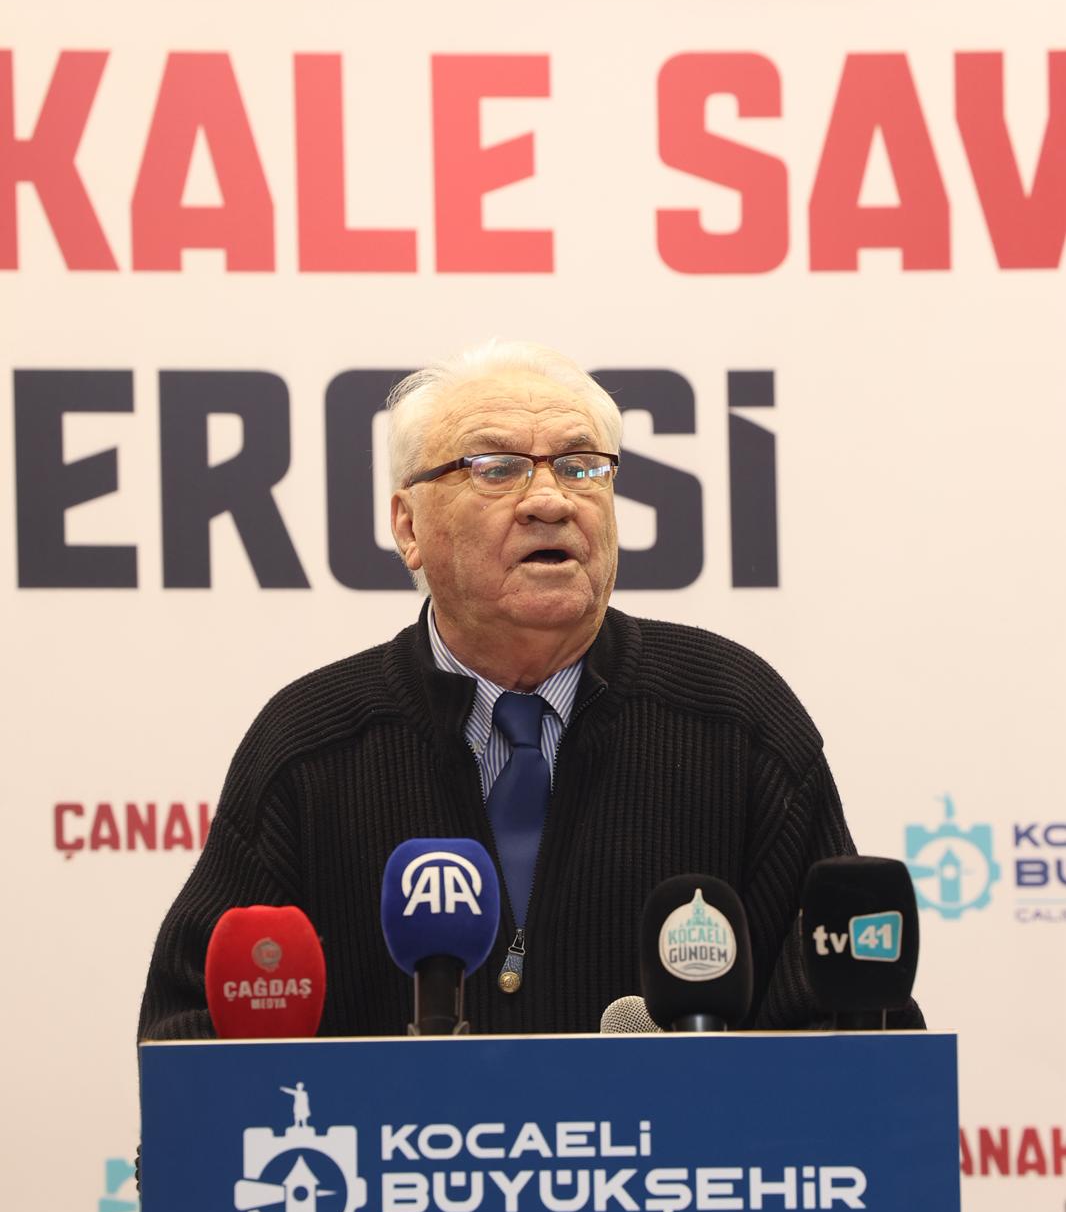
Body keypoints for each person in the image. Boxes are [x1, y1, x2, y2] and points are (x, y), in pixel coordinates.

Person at [138, 340, 899, 1041]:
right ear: (408, 526)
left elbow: (849, 1025)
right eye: (497, 468)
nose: (551, 500)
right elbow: (194, 1033)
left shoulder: (734, 719)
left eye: (580, 466)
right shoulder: (312, 745)